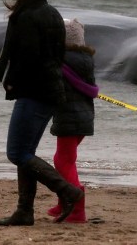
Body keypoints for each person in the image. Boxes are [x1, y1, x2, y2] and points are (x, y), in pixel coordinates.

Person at [0, 0, 84, 226]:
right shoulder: (53, 14)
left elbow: (27, 59)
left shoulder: (25, 16)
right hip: (51, 92)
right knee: (26, 152)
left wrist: (10, 83)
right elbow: (56, 57)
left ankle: (68, 191)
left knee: (17, 153)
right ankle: (24, 211)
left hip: (33, 92)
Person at [46, 18, 98, 223]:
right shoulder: (85, 59)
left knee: (62, 161)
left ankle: (77, 208)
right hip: (84, 117)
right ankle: (64, 202)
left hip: (69, 117)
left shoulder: (62, 60)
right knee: (66, 160)